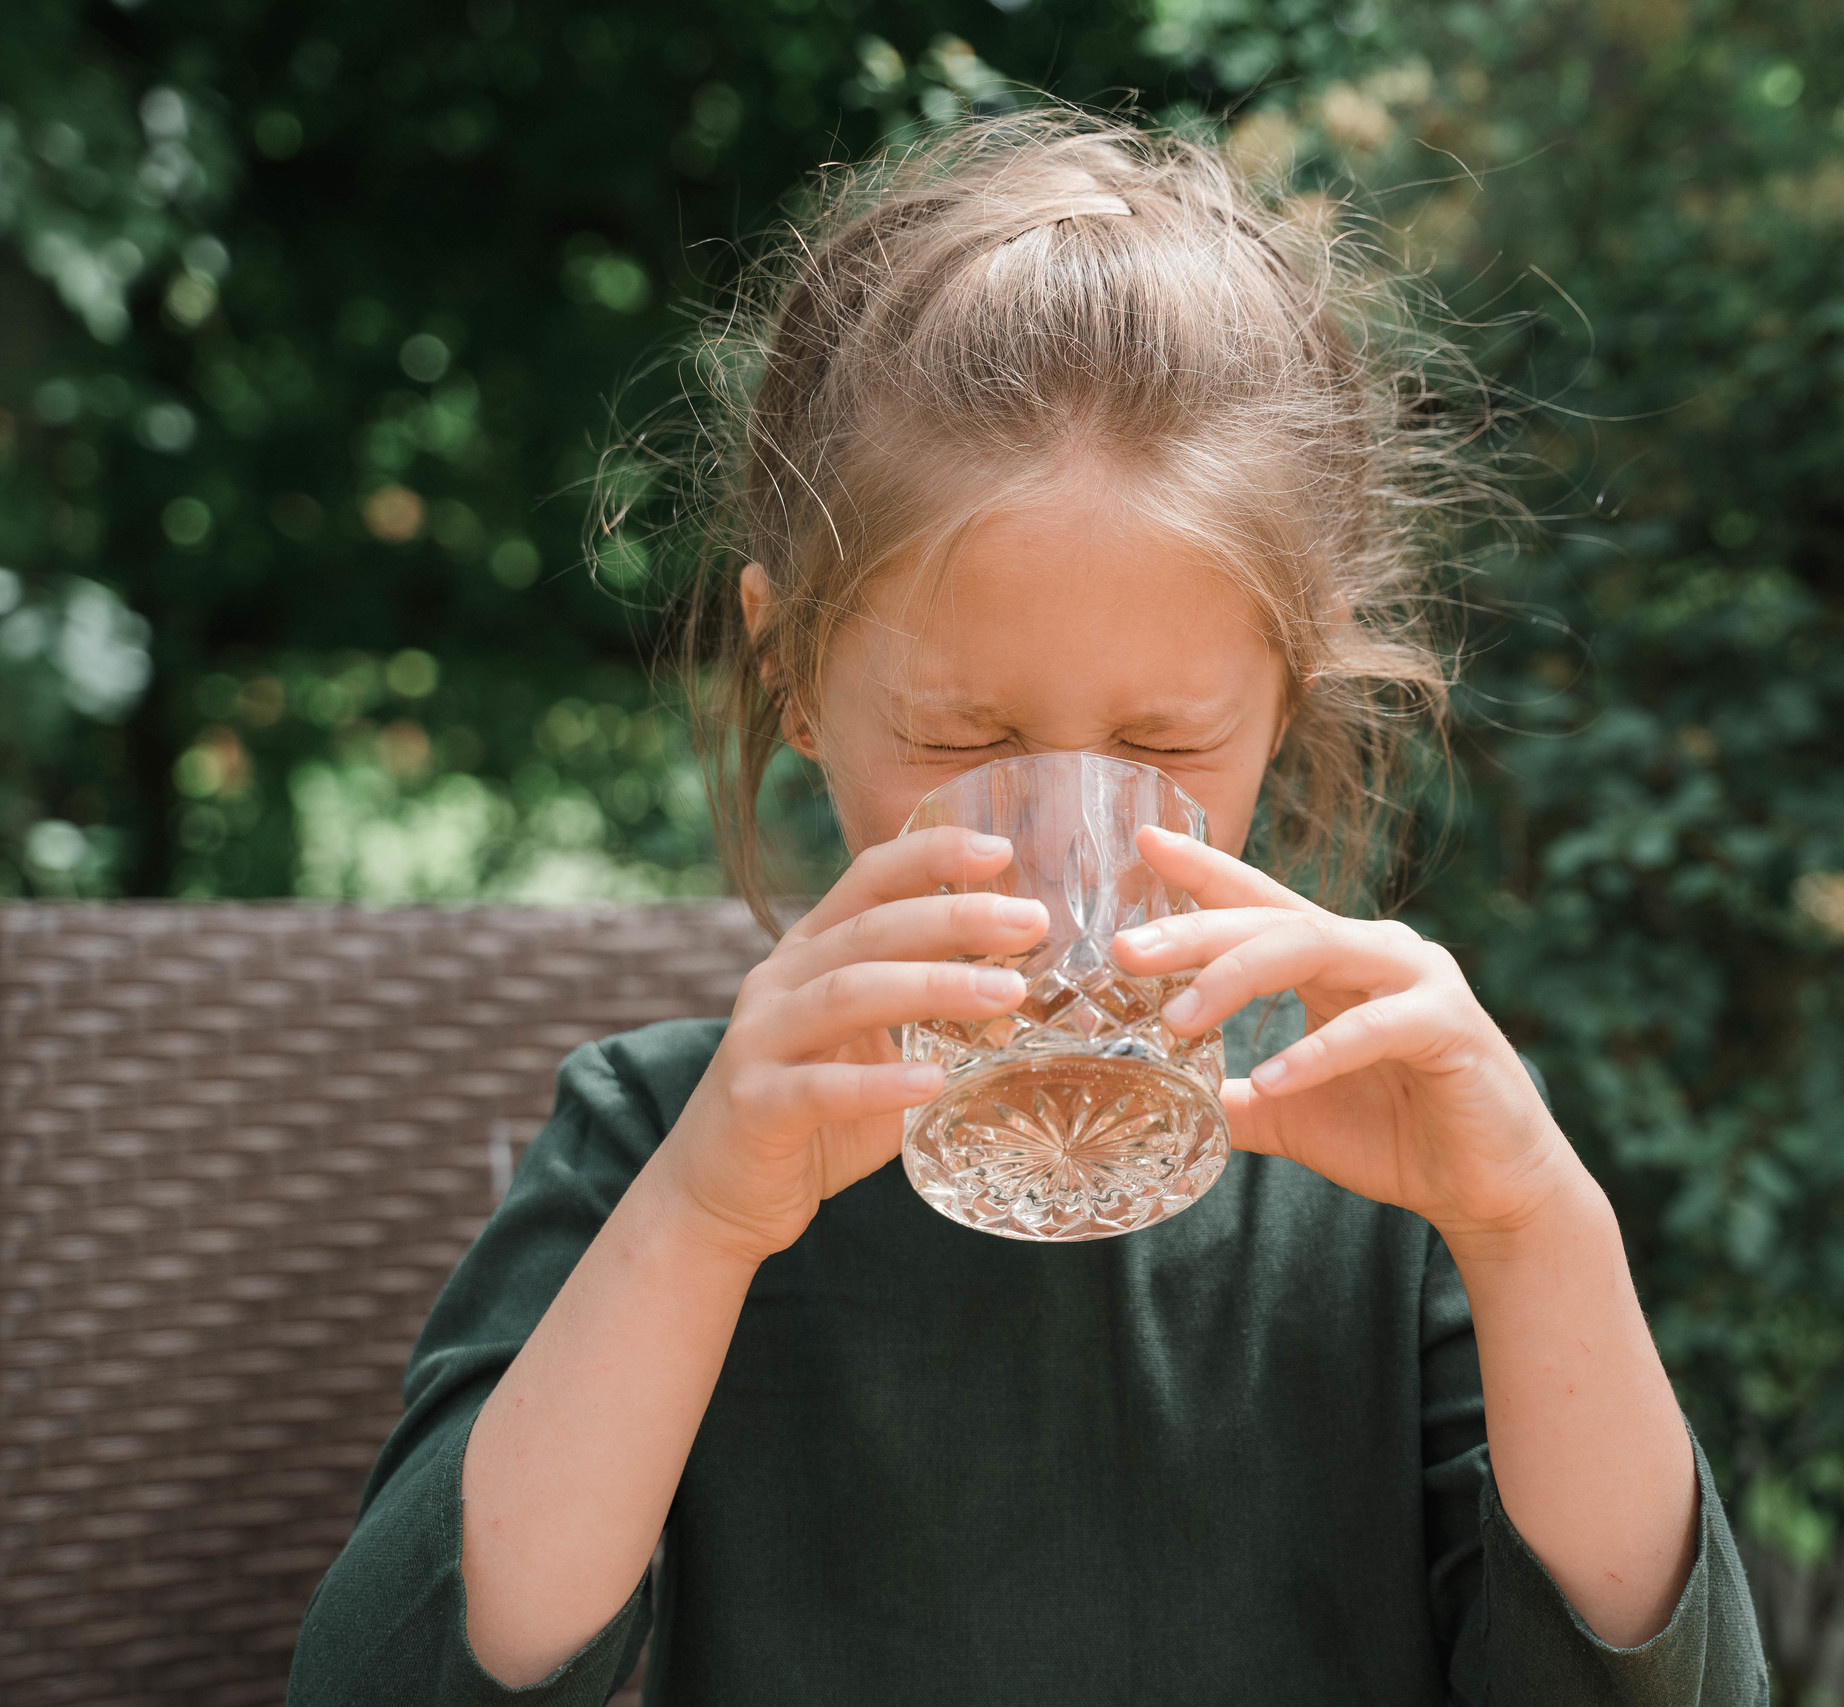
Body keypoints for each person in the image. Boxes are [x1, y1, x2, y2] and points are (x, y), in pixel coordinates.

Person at [286, 113, 1766, 1707]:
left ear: (1292, 688)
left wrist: (1535, 1231)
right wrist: (700, 1223)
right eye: (966, 738)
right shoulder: (662, 1140)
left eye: (1160, 745)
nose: (1071, 839)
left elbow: (1657, 1686)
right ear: (788, 671)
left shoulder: (1399, 1178)